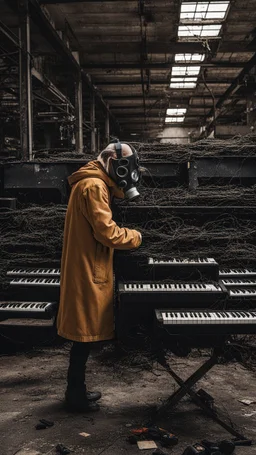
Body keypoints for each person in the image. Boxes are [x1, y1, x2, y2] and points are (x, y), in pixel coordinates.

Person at [57, 141, 142, 412]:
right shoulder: (94, 186)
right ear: (112, 163)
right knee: (83, 337)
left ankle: (76, 390)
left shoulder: (92, 182)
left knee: (82, 337)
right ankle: (75, 396)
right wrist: (136, 236)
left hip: (84, 265)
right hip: (86, 269)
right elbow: (107, 233)